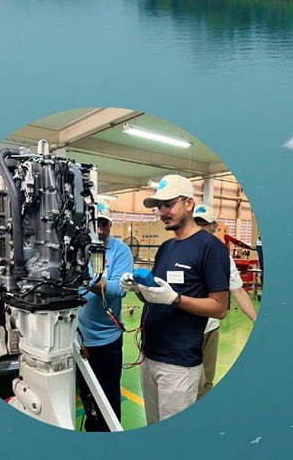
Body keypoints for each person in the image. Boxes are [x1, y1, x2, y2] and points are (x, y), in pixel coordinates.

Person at [121, 175, 230, 425]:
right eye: (159, 207)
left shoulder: (210, 248)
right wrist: (137, 289)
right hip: (149, 357)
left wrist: (175, 299)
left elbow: (220, 308)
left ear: (189, 203)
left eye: (168, 204)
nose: (162, 212)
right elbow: (154, 297)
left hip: (179, 364)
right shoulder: (166, 248)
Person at [76, 201, 133, 431]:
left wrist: (85, 280)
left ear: (110, 225)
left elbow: (119, 289)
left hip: (107, 339)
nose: (100, 230)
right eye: (95, 224)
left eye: (104, 224)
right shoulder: (78, 249)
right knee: (87, 398)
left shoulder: (120, 251)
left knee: (108, 399)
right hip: (79, 340)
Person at [192, 203, 257, 398]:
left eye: (204, 224)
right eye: (196, 223)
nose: (200, 228)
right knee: (189, 381)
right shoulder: (181, 250)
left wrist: (256, 318)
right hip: (186, 330)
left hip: (210, 328)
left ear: (214, 227)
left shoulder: (222, 257)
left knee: (206, 383)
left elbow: (237, 291)